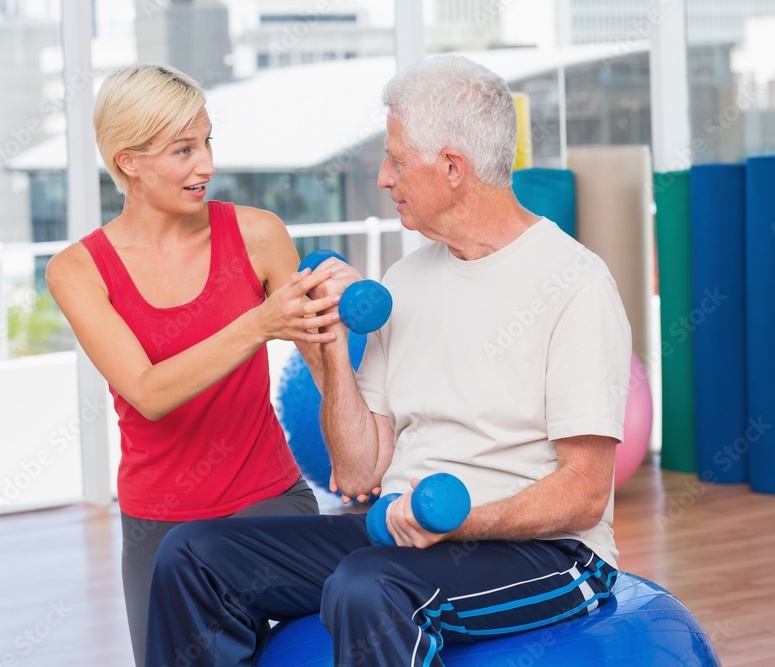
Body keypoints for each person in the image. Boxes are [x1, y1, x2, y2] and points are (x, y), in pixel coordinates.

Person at [143, 54, 632, 667]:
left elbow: (584, 496)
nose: (382, 177)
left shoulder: (574, 284)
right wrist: (326, 340)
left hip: (549, 553)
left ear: (452, 168)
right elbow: (356, 468)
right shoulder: (406, 280)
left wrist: (463, 524)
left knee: (370, 586)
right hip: (401, 530)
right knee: (193, 554)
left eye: (397, 159)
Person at [44, 64, 342, 667]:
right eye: (183, 150)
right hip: (159, 523)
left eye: (207, 143)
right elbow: (148, 391)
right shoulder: (78, 270)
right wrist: (259, 324)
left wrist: (368, 452)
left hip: (270, 504)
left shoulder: (258, 234)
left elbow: (322, 361)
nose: (205, 164)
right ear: (129, 160)